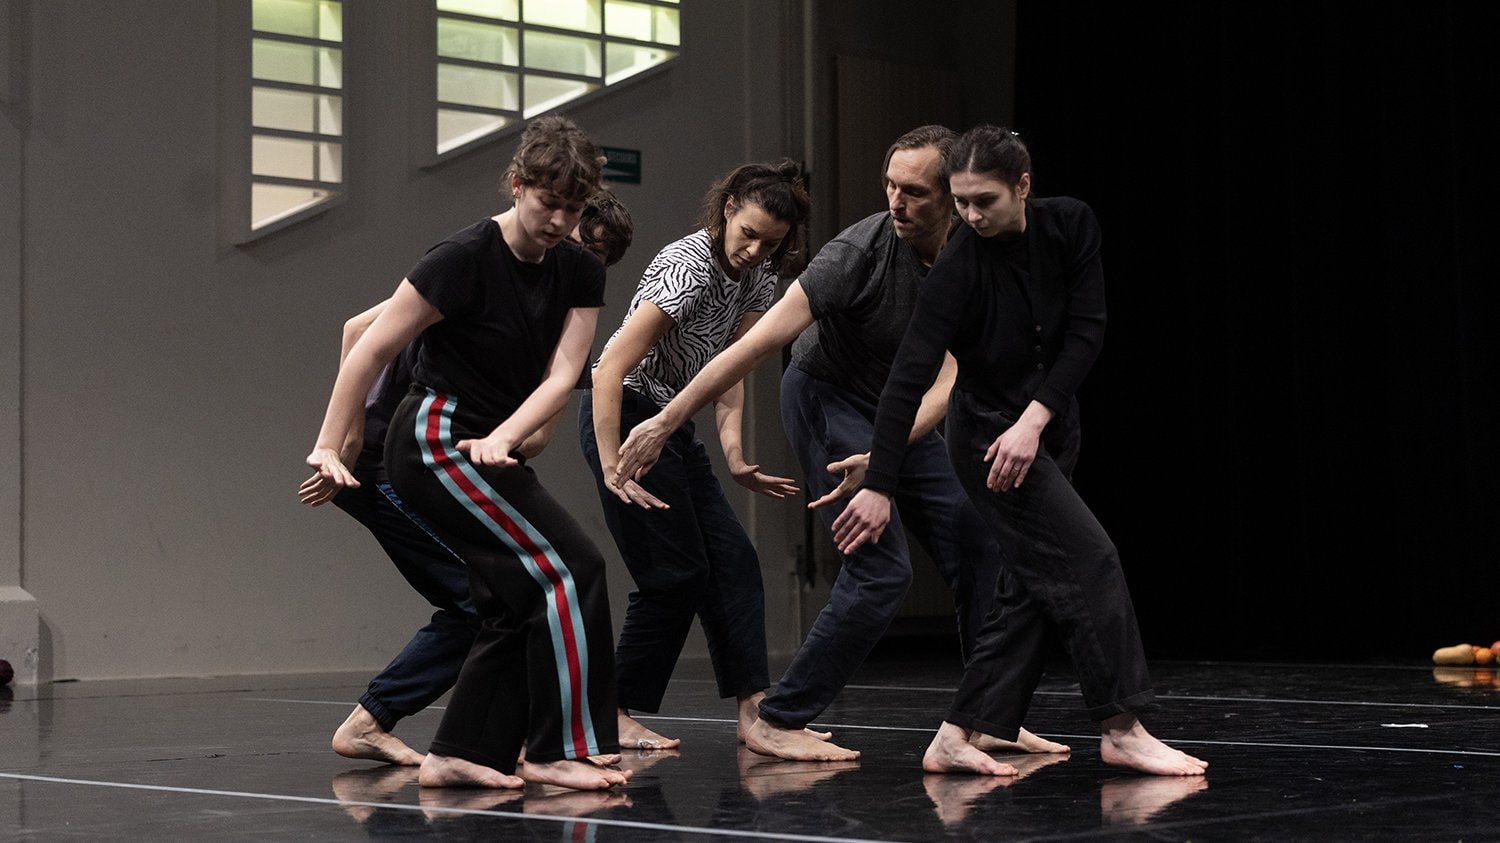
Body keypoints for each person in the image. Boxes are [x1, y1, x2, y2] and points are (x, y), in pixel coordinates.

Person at [613, 126, 1067, 762]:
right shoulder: (858, 251)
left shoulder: (975, 253)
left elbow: (951, 378)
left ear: (950, 196)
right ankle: (776, 717)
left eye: (914, 192)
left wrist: (888, 449)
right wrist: (665, 421)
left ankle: (988, 713)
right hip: (826, 396)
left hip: (900, 414)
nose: (896, 202)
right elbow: (756, 343)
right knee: (882, 567)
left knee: (978, 536)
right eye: (890, 187)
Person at [832, 125, 1208, 776]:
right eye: (960, 202)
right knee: (1091, 559)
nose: (970, 216)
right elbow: (906, 380)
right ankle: (1121, 724)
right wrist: (880, 482)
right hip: (986, 440)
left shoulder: (1070, 226)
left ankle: (958, 733)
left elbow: (1087, 331)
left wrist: (1037, 418)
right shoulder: (956, 268)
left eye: (984, 201)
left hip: (1047, 428)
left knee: (1031, 588)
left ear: (1023, 186)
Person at [304, 115, 629, 790]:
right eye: (549, 205)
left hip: (490, 445)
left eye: (573, 209)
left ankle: (464, 751)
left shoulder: (577, 270)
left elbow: (563, 377)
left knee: (512, 595)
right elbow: (367, 346)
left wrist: (511, 436)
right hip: (433, 437)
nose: (559, 222)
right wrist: (331, 441)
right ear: (517, 186)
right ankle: (557, 747)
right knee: (572, 565)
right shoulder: (461, 256)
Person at [580, 160, 811, 749]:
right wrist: (611, 463)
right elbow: (608, 367)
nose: (755, 250)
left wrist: (734, 455)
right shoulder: (688, 268)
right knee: (674, 574)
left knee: (733, 562)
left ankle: (755, 712)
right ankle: (611, 712)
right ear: (728, 207)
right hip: (628, 414)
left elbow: (725, 372)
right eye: (749, 234)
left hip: (671, 426)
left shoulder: (760, 279)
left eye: (772, 243)